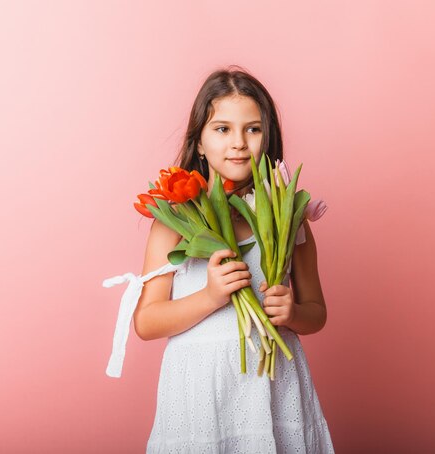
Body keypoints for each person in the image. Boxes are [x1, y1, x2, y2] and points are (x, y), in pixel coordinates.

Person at [108, 66, 335, 453]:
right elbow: (146, 322)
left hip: (273, 384)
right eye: (222, 129)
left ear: (268, 137)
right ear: (198, 142)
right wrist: (210, 296)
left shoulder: (288, 217)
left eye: (253, 128)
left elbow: (316, 312)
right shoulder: (174, 221)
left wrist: (292, 312)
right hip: (201, 389)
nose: (239, 143)